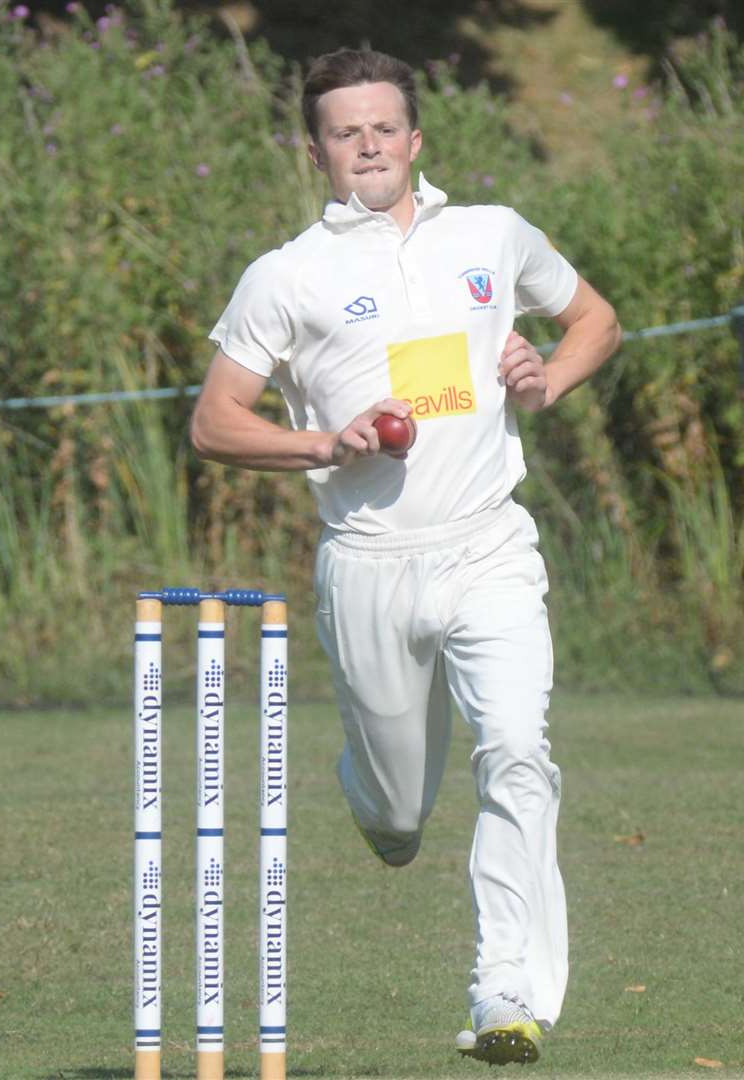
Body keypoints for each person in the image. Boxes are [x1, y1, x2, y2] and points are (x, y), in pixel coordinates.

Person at [191, 47, 620, 1067]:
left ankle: (503, 993)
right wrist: (321, 443)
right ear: (316, 151)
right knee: (397, 811)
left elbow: (593, 320)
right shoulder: (286, 275)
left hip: (488, 544)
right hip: (370, 562)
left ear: (415, 139)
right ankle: (378, 799)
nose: (368, 143)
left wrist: (542, 379)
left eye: (384, 126)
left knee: (516, 748)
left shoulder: (490, 235)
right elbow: (214, 423)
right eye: (346, 131)